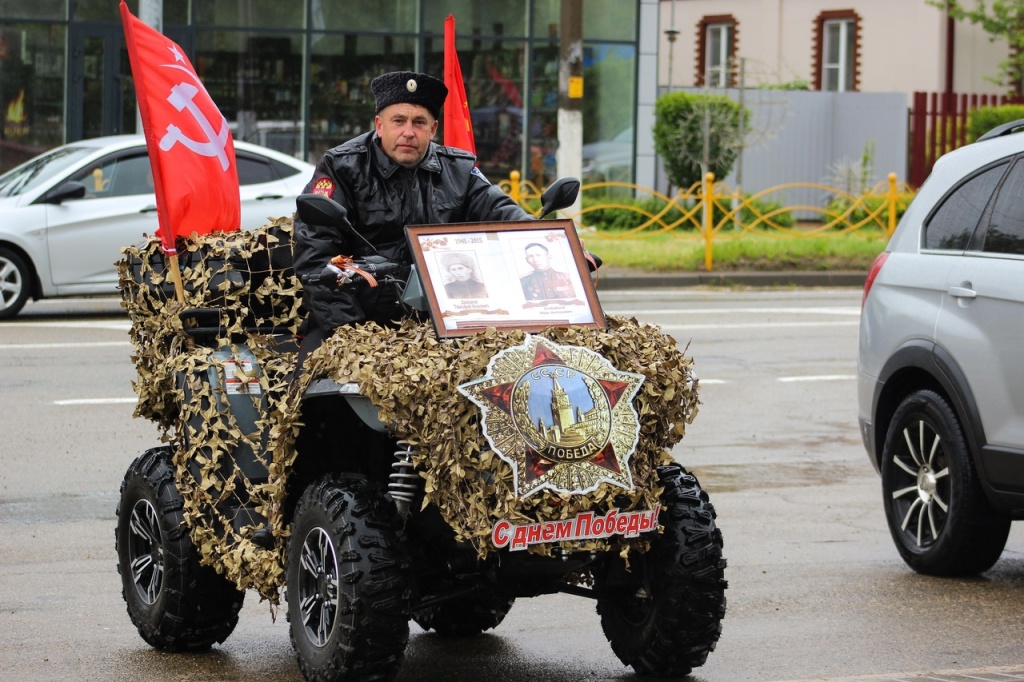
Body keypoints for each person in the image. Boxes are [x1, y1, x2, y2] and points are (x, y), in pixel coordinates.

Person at [292, 70, 531, 356]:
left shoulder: (459, 170)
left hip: (440, 322)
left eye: (419, 123)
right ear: (380, 126)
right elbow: (316, 259)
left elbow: (502, 211)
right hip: (355, 319)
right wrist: (354, 336)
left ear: (432, 130)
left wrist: (557, 244)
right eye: (398, 121)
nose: (408, 132)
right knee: (316, 392)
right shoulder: (342, 167)